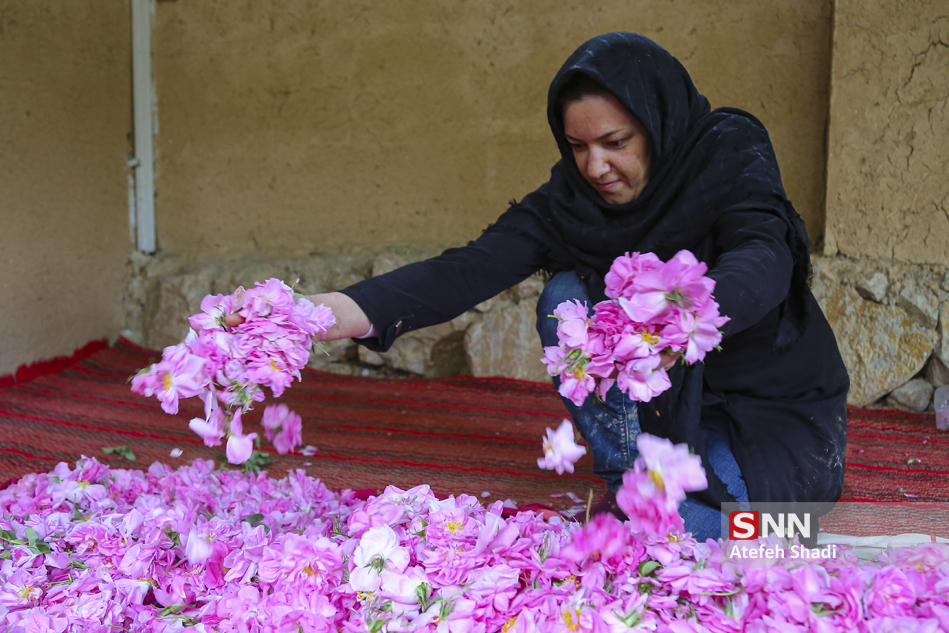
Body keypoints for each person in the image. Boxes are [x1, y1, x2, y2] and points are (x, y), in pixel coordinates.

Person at [286, 33, 850, 540]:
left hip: (765, 406)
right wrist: (330, 311)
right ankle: (625, 479)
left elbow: (764, 252)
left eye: (614, 142)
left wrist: (682, 317)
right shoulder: (571, 201)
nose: (596, 167)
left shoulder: (725, 147)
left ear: (656, 123)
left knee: (738, 534)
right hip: (671, 412)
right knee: (565, 296)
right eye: (578, 147)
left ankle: (726, 519)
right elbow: (470, 267)